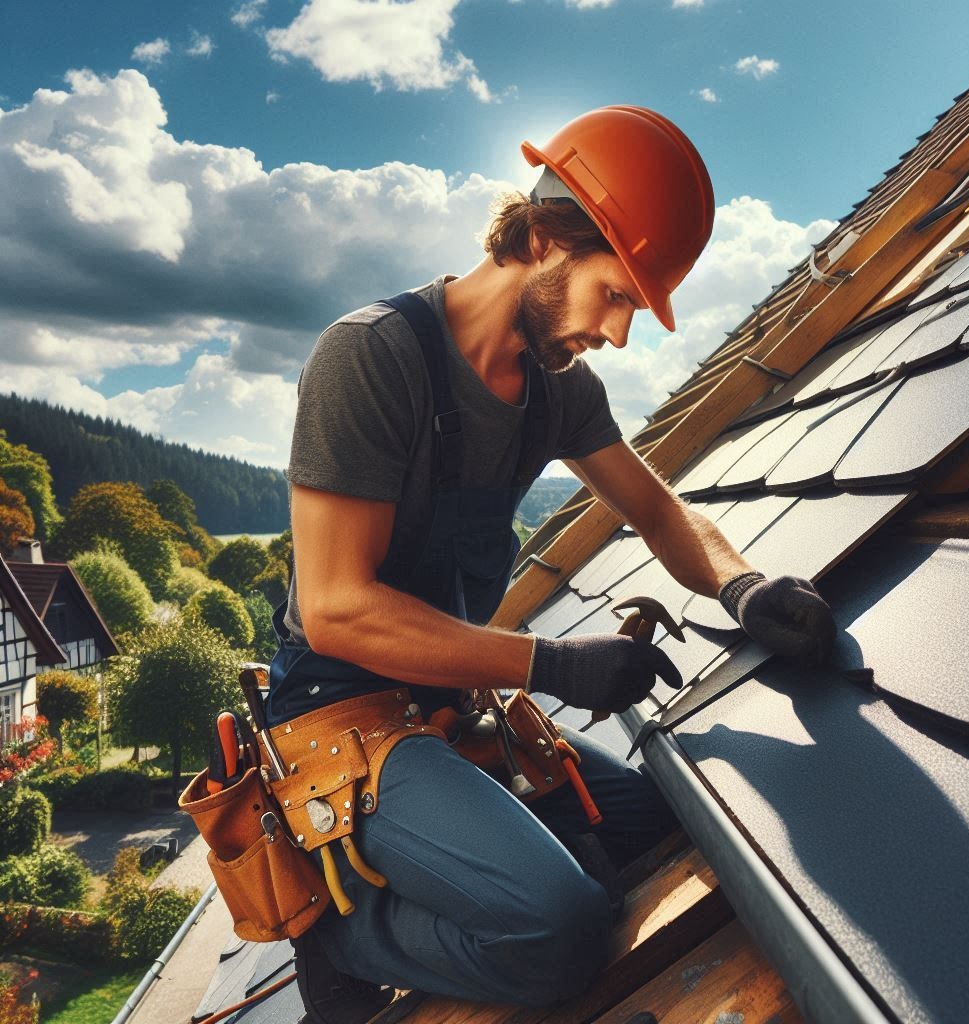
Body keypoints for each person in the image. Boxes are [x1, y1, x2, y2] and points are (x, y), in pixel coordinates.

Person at [269, 106, 837, 1023]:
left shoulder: (556, 390)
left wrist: (744, 584)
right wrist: (554, 664)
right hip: (342, 717)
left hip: (441, 705)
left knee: (656, 816)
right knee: (562, 930)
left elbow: (656, 509)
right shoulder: (371, 355)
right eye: (614, 295)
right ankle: (341, 928)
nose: (618, 334)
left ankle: (470, 860)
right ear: (542, 240)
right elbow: (337, 607)